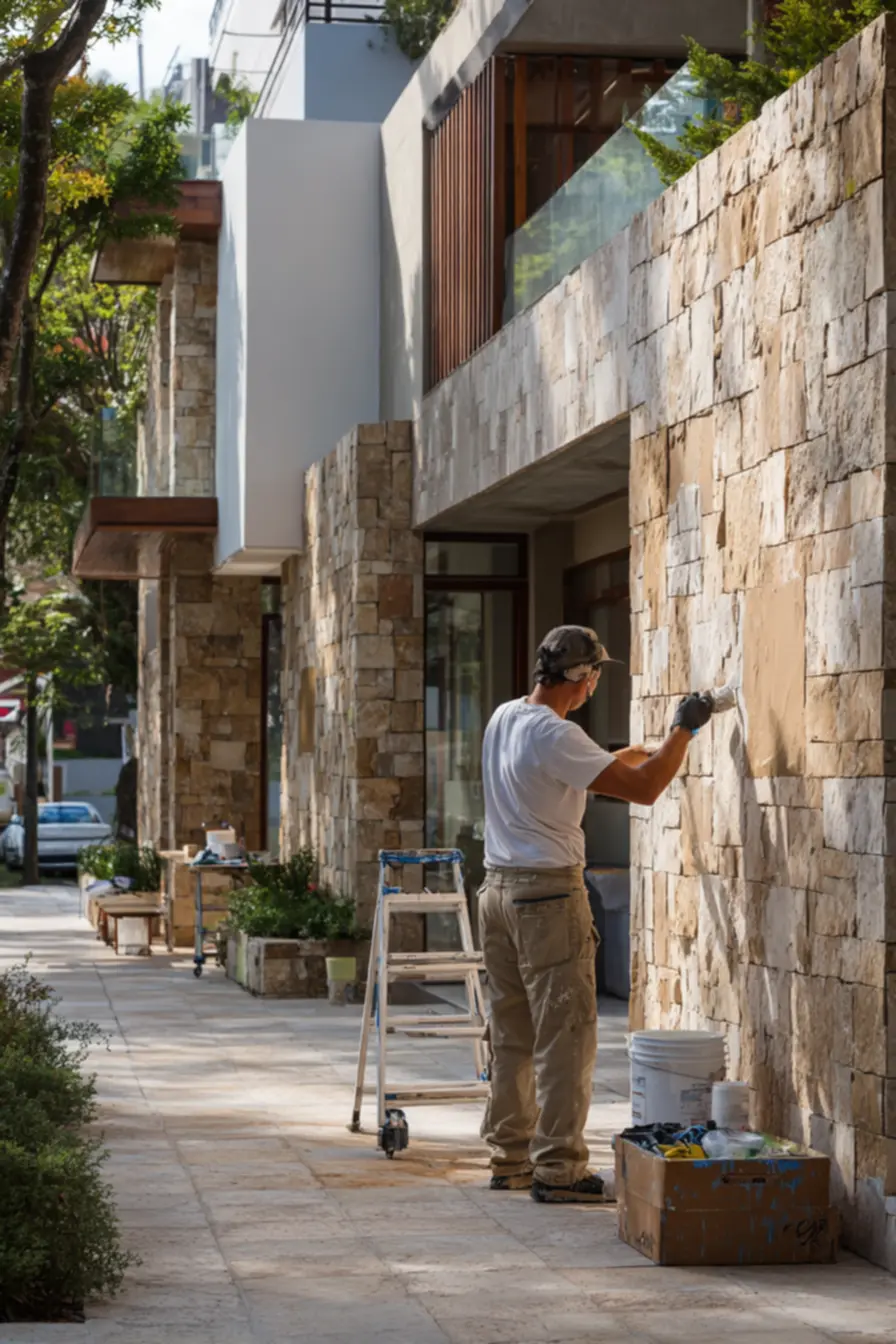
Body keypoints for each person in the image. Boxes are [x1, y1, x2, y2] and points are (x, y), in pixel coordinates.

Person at [478, 625, 712, 1203]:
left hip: (497, 894)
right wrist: (685, 730)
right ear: (582, 679)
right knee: (566, 1036)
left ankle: (510, 1158)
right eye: (596, 674)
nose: (596, 684)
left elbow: (600, 767)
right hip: (547, 899)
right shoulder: (557, 735)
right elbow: (646, 788)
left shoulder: (507, 717)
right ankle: (559, 1169)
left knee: (513, 1033)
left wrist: (655, 744)